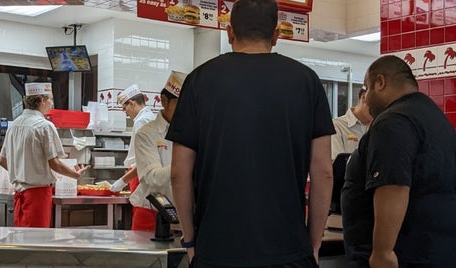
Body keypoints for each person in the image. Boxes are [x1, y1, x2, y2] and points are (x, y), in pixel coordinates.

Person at [166, 0, 335, 265]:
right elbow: (324, 172)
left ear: (230, 33)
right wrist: (312, 244)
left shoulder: (199, 80)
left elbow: (179, 172)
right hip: (289, 251)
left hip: (217, 251)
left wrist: (190, 240)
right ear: (276, 35)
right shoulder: (307, 82)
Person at [340, 55, 456, 267]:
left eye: (366, 89)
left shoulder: (393, 121)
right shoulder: (432, 116)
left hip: (415, 254)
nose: (366, 99)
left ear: (380, 82)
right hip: (451, 250)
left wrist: (383, 252)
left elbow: (393, 187)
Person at [0, 83, 89, 228]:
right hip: (37, 195)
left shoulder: (14, 125)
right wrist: (75, 174)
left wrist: (22, 172)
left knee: (21, 239)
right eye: (50, 99)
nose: (51, 104)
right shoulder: (44, 125)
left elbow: (3, 161)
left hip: (19, 193)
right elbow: (54, 163)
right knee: (37, 240)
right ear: (42, 100)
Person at [130, 70, 187, 231]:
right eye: (180, 105)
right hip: (151, 213)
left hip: (183, 216)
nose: (186, 111)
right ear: (164, 101)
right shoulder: (147, 133)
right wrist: (187, 165)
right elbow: (152, 177)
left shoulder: (193, 132)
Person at [110, 85, 156, 193]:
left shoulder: (141, 121)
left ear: (132, 103)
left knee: (141, 208)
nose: (125, 113)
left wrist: (121, 182)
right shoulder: (151, 117)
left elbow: (144, 160)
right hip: (143, 174)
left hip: (140, 175)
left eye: (125, 108)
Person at [331, 87, 372, 161]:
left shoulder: (378, 128)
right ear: (364, 97)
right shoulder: (337, 126)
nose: (379, 111)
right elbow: (337, 164)